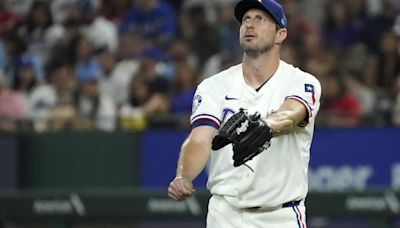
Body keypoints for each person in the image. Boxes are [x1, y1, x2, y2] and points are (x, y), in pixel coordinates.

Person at [168, 0, 321, 227]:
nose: (250, 25)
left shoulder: (301, 81)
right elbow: (199, 138)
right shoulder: (214, 86)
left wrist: (264, 127)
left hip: (280, 215)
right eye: (246, 19)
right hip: (225, 213)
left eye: (260, 19)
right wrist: (184, 175)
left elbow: (292, 113)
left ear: (280, 34)